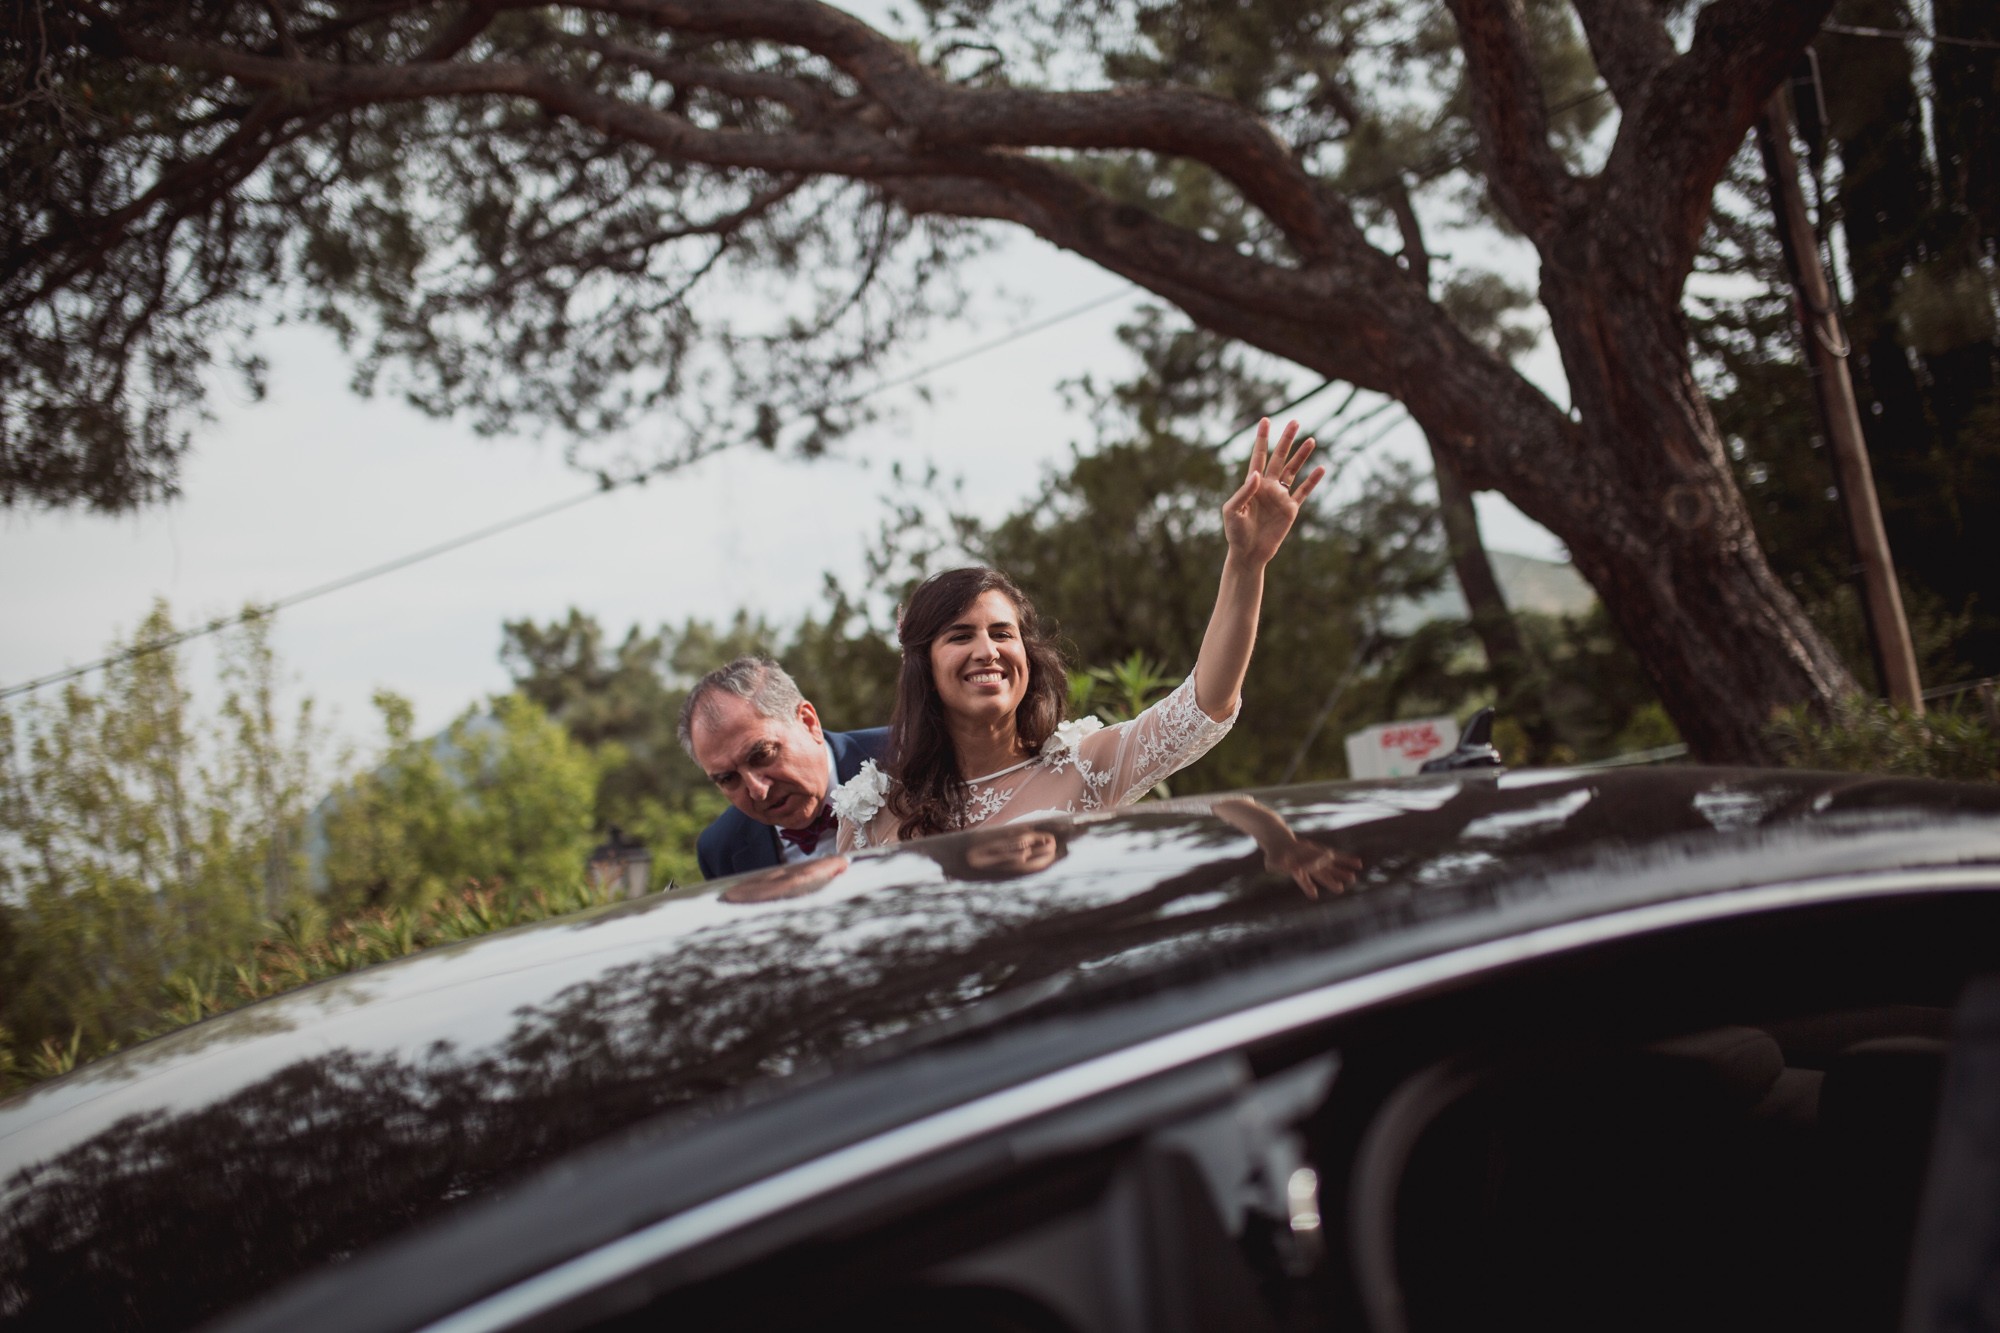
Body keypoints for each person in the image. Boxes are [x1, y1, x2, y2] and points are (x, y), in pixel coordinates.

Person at [834, 417, 1325, 851]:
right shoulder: (873, 810)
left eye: (1003, 634)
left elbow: (1204, 704)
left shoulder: (1086, 766)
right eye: (960, 636)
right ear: (922, 664)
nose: (988, 652)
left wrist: (1246, 563)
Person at [680, 656, 888, 879]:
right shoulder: (720, 850)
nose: (757, 790)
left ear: (808, 723)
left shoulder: (909, 754)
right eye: (728, 778)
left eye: (762, 755)